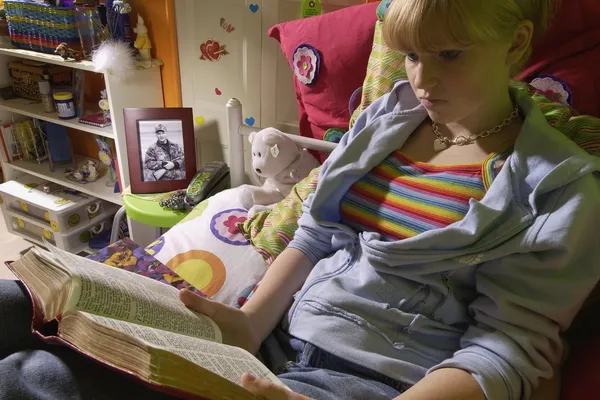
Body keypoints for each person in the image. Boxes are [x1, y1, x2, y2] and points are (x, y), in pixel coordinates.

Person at [1, 0, 599, 399]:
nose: (423, 79)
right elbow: (317, 232)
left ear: (517, 44)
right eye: (413, 55)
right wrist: (248, 322)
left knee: (37, 379)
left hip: (372, 379)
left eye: (450, 55)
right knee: (18, 304)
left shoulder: (559, 186)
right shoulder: (388, 119)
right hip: (281, 339)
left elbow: (510, 349)